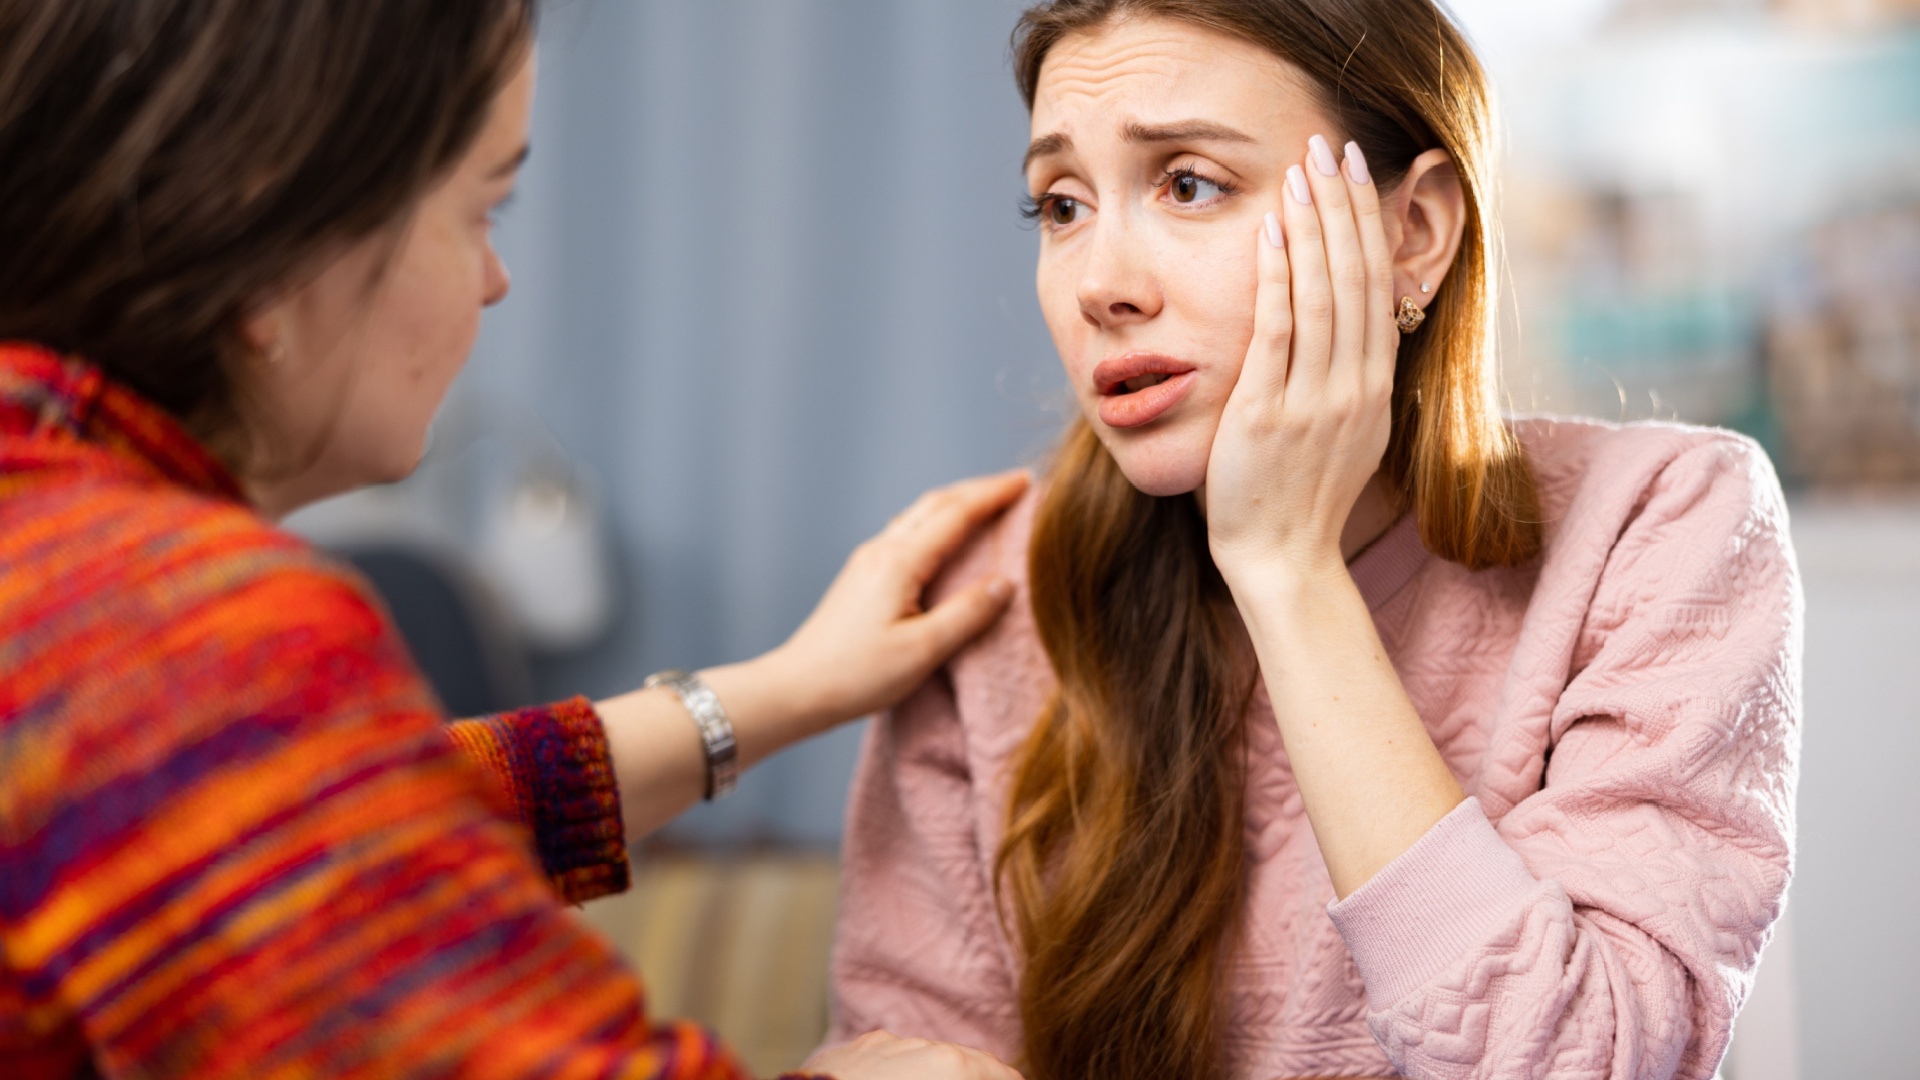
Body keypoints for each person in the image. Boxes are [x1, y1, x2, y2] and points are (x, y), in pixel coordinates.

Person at [0, 3, 1026, 1078]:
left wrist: (788, 689)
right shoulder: (163, 634)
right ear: (271, 234)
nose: (497, 280)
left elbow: (359, 820)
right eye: (483, 209)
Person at [827, 2, 1801, 1079]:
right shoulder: (989, 592)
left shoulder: (1659, 524)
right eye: (1060, 204)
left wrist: (1287, 570)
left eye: (1189, 182)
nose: (1100, 284)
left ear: (1413, 231)